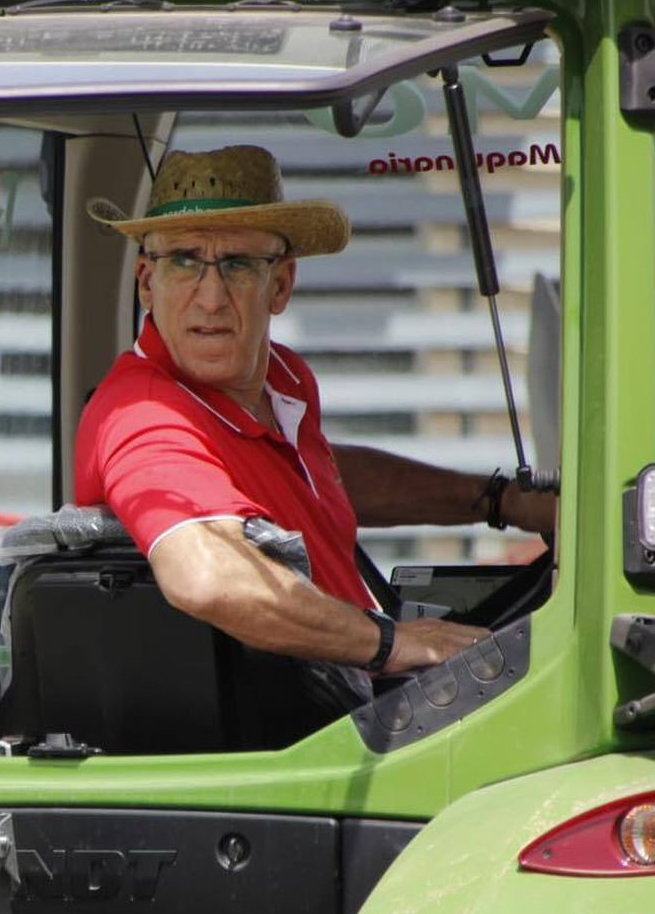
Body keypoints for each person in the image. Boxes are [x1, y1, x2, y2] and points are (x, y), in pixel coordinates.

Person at [75, 145, 555, 676]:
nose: (210, 298)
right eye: (184, 261)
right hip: (313, 718)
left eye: (237, 265)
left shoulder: (280, 378)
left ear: (280, 285)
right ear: (148, 283)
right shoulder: (143, 413)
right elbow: (205, 575)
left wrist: (501, 500)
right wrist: (392, 643)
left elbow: (319, 477)